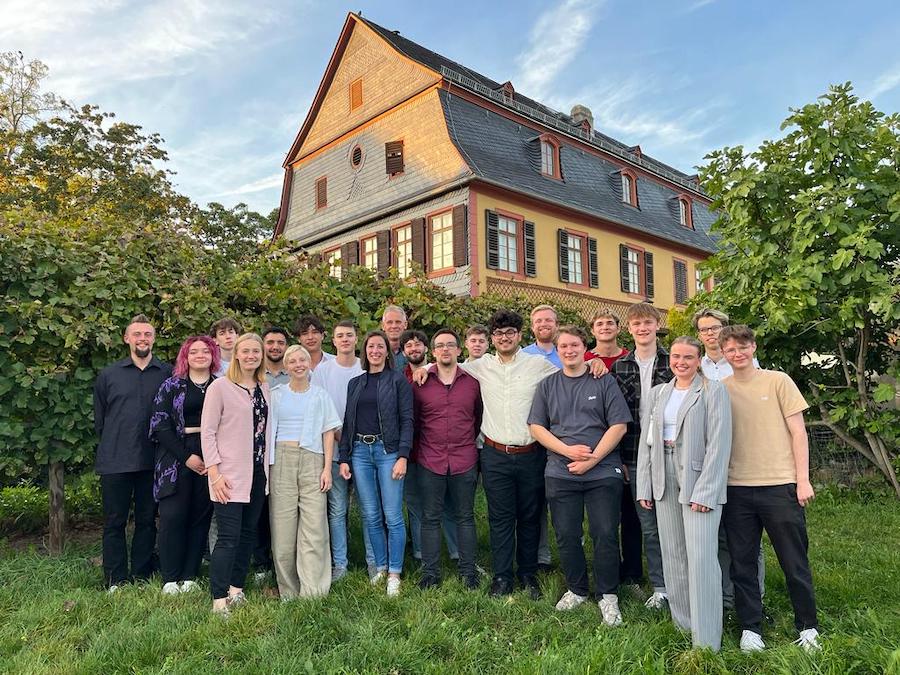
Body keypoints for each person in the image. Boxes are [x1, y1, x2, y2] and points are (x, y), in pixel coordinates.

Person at [719, 326, 821, 652]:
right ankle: (750, 629)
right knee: (742, 563)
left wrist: (801, 479)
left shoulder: (778, 381)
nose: (738, 353)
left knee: (794, 561)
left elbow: (799, 433)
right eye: (731, 349)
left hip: (780, 485)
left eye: (743, 347)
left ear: (753, 347)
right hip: (736, 489)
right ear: (723, 353)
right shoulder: (719, 390)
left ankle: (808, 627)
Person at [528, 325, 631, 626]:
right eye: (563, 347)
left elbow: (619, 425)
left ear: (584, 348)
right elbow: (536, 427)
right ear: (557, 351)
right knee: (567, 534)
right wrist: (568, 452)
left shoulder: (603, 381)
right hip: (561, 471)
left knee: (605, 533)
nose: (569, 351)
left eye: (574, 345)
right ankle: (577, 589)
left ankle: (608, 595)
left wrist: (592, 458)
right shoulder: (548, 385)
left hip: (602, 472)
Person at [636, 336, 732, 650]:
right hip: (663, 473)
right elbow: (646, 441)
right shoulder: (658, 393)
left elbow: (719, 444)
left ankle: (706, 640)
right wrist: (645, 484)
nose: (681, 362)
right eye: (676, 356)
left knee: (701, 556)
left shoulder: (712, 391)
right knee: (674, 553)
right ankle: (683, 625)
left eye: (688, 357)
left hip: (697, 478)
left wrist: (706, 490)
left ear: (698, 359)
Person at [459, 309, 557, 598]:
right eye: (499, 334)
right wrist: (421, 370)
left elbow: (570, 372)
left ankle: (528, 574)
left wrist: (595, 366)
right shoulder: (481, 366)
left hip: (531, 453)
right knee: (500, 517)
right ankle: (502, 577)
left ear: (519, 335)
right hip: (494, 454)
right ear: (492, 338)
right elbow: (445, 366)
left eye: (510, 333)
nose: (504, 338)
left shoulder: (537, 365)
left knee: (529, 516)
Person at [692, 307, 766, 613]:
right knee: (718, 533)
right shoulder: (698, 366)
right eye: (704, 329)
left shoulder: (742, 363)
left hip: (741, 455)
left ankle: (754, 597)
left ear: (726, 329)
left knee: (747, 535)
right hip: (707, 456)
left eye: (715, 328)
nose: (710, 333)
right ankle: (725, 596)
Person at [94, 314, 172, 591]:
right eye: (136, 334)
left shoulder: (167, 373)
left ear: (153, 339)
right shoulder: (109, 375)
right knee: (114, 522)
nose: (142, 339)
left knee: (147, 520)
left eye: (147, 334)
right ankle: (115, 578)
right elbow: (101, 419)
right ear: (127, 338)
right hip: (115, 460)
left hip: (153, 460)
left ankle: (141, 573)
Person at [338, 330, 413, 597]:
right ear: (364, 351)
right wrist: (344, 457)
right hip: (359, 452)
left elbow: (407, 420)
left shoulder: (398, 381)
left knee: (392, 515)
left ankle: (394, 572)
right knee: (370, 515)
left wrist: (403, 455)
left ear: (387, 352)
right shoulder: (355, 384)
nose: (375, 351)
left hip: (388, 451)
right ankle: (380, 567)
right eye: (371, 347)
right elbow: (348, 422)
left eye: (380, 347)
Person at [201, 332, 271, 616]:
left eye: (257, 351)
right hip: (228, 474)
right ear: (237, 355)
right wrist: (215, 473)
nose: (252, 356)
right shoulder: (220, 387)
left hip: (257, 472)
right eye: (247, 351)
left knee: (247, 534)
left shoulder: (264, 388)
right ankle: (219, 599)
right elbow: (207, 431)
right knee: (228, 537)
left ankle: (236, 589)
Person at [267, 345, 341, 599]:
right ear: (286, 367)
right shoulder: (275, 395)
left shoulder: (320, 395)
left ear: (310, 365)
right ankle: (289, 590)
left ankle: (313, 591)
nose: (298, 364)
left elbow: (328, 432)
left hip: (313, 459)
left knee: (314, 526)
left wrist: (327, 469)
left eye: (303, 360)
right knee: (283, 528)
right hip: (281, 460)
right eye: (293, 361)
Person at [612, 303, 671, 609]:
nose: (643, 328)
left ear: (656, 325)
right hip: (635, 455)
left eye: (648, 322)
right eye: (637, 324)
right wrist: (619, 456)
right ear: (630, 328)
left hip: (671, 453)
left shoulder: (673, 360)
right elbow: (613, 415)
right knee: (647, 524)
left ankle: (681, 581)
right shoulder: (620, 366)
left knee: (673, 522)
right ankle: (661, 587)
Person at [414, 329, 483, 590]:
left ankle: (468, 572)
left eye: (450, 345)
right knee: (430, 517)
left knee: (465, 516)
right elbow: (416, 422)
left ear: (458, 350)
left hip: (464, 458)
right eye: (440, 346)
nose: (445, 349)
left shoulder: (472, 383)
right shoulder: (420, 383)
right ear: (433, 352)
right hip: (430, 459)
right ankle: (430, 573)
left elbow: (477, 419)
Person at [149, 335, 218, 595]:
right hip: (176, 457)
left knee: (200, 516)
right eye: (194, 352)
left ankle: (189, 575)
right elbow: (159, 425)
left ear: (213, 356)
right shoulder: (171, 386)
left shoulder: (221, 385)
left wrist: (210, 459)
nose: (200, 355)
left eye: (205, 351)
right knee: (172, 516)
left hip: (211, 456)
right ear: (185, 357)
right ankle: (170, 577)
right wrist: (186, 457)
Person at [583, 310, 641, 593]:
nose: (604, 327)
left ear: (619, 329)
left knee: (631, 515)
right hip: (591, 445)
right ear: (592, 330)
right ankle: (604, 570)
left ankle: (632, 573)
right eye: (599, 323)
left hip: (627, 442)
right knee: (603, 519)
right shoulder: (582, 360)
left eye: (609, 323)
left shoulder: (630, 359)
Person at [314, 320, 374, 581]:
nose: (345, 340)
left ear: (356, 338)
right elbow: (318, 407)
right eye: (340, 336)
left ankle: (374, 561)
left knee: (369, 509)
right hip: (334, 451)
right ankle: (340, 564)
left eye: (350, 335)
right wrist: (338, 434)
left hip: (363, 451)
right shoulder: (323, 371)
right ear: (334, 341)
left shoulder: (367, 367)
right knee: (337, 511)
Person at [401, 329, 459, 565]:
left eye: (418, 344)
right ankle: (421, 553)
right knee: (415, 503)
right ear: (403, 351)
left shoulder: (442, 373)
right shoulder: (399, 378)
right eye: (409, 346)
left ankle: (457, 553)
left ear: (427, 349)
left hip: (437, 450)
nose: (414, 349)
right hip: (411, 451)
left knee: (445, 503)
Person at [521, 304, 562, 571]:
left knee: (564, 502)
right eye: (538, 320)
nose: (543, 324)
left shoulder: (569, 351)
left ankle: (573, 550)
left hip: (565, 435)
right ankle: (542, 555)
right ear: (532, 326)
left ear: (556, 324)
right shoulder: (522, 356)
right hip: (535, 438)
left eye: (548, 319)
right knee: (535, 503)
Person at [381, 304, 409, 371]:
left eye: (398, 322)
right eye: (389, 322)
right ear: (383, 326)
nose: (394, 326)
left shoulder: (413, 351)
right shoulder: (376, 352)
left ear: (405, 325)